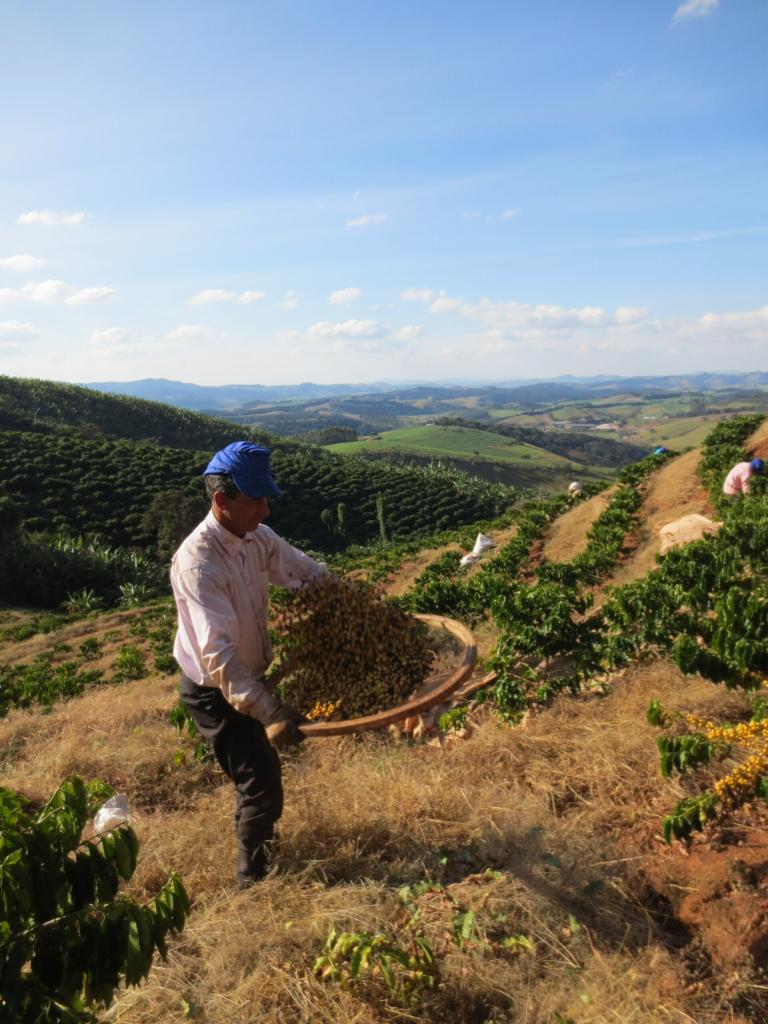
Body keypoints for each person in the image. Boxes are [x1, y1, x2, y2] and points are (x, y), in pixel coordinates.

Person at [170, 441, 328, 888]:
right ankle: (252, 884)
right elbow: (217, 657)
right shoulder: (198, 563)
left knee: (264, 775)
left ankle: (261, 857)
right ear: (222, 500)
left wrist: (346, 598)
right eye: (256, 500)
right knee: (259, 780)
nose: (265, 510)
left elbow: (305, 571)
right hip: (214, 689)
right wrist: (271, 711)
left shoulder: (256, 537)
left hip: (251, 673)